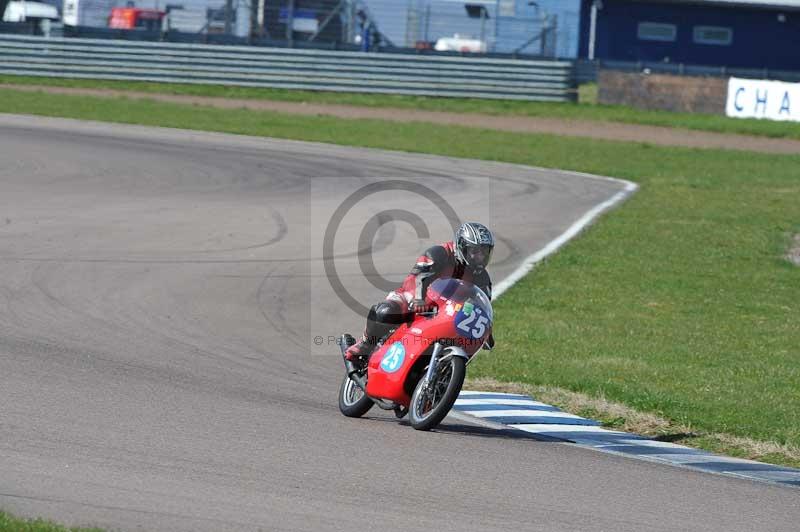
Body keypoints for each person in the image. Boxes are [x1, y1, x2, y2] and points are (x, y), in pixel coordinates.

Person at [345, 221, 495, 363]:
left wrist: (486, 334)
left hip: (445, 313)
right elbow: (419, 278)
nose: (480, 257)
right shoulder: (440, 253)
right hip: (414, 298)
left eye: (484, 252)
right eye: (474, 252)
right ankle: (366, 344)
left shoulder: (482, 278)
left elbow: (484, 307)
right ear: (462, 247)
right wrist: (418, 299)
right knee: (385, 311)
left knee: (464, 342)